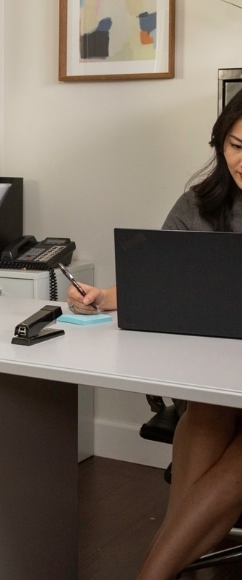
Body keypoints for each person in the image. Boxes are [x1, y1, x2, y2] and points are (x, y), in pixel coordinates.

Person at [68, 90, 242, 579]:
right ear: (219, 143)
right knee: (207, 412)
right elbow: (158, 274)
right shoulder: (201, 203)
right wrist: (100, 296)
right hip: (219, 379)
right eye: (235, 145)